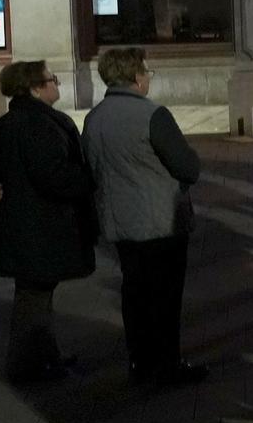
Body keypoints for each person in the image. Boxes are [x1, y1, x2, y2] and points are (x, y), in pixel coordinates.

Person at [81, 47, 206, 388]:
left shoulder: (95, 118)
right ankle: (167, 365)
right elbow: (187, 167)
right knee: (165, 297)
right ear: (136, 77)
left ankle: (140, 361)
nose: (149, 77)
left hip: (120, 223)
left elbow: (90, 169)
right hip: (160, 222)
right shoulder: (152, 115)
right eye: (147, 72)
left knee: (135, 295)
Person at [0, 60, 96, 383]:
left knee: (36, 296)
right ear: (35, 88)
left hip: (25, 230)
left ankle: (46, 358)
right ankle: (27, 367)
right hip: (40, 230)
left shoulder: (10, 123)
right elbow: (53, 176)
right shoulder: (38, 125)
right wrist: (90, 178)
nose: (57, 83)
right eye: (51, 79)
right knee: (33, 300)